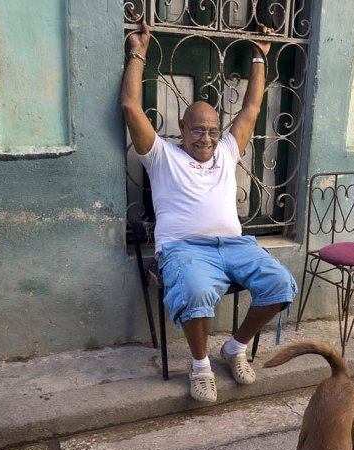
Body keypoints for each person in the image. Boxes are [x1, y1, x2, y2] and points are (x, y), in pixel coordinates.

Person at [122, 20, 297, 404]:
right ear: (182, 129)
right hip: (184, 249)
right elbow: (130, 105)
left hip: (234, 246)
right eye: (198, 130)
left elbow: (252, 107)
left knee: (280, 283)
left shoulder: (227, 150)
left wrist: (259, 56)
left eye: (213, 131)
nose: (206, 138)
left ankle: (235, 347)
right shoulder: (160, 155)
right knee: (198, 289)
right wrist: (138, 51)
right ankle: (200, 366)